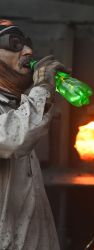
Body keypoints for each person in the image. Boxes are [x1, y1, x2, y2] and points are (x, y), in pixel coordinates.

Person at [0, 19, 65, 249]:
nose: (28, 51)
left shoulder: (12, 106)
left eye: (27, 43)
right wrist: (42, 90)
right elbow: (13, 138)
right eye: (14, 43)